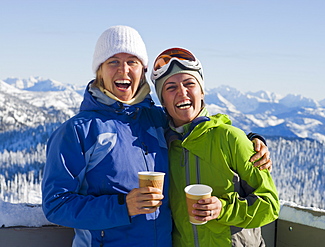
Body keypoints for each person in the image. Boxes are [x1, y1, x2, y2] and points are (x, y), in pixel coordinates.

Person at [42, 25, 271, 247]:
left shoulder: (157, 120)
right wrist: (123, 206)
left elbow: (198, 126)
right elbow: (56, 205)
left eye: (132, 62)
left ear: (142, 70)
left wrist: (252, 139)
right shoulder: (78, 131)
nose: (123, 70)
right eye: (113, 62)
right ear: (99, 71)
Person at [151, 47, 280, 247]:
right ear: (163, 101)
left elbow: (270, 205)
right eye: (170, 87)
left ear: (201, 91)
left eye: (189, 84)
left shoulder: (230, 139)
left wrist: (223, 209)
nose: (182, 92)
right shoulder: (162, 148)